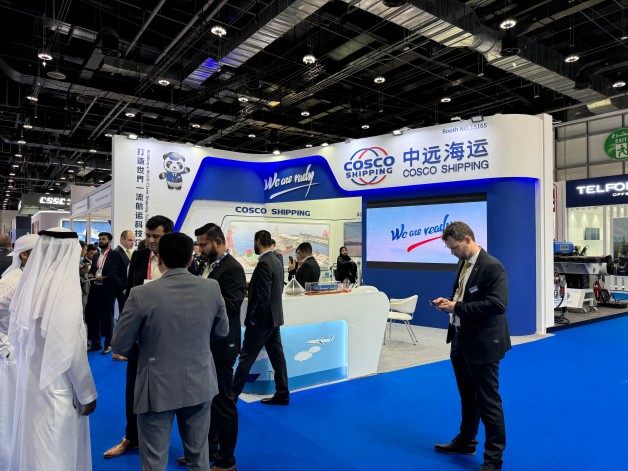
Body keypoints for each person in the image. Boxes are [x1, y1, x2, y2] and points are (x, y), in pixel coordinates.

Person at [112, 232, 228, 471]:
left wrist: (147, 352)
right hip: (200, 381)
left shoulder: (141, 294)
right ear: (191, 259)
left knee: (154, 460)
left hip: (156, 385)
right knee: (199, 457)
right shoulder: (211, 288)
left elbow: (120, 344)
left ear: (160, 259)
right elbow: (221, 331)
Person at [7, 228, 97, 470]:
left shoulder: (30, 281)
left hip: (30, 378)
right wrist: (87, 393)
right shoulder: (65, 288)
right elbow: (72, 349)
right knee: (54, 447)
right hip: (57, 383)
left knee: (34, 442)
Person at [430, 221, 510, 471]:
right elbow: (465, 297)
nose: (452, 252)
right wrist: (449, 302)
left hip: (484, 343)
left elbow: (498, 305)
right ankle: (466, 441)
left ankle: (494, 459)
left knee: (488, 401)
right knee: (467, 396)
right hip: (460, 338)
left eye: (454, 248)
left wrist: (457, 307)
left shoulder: (492, 266)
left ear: (467, 240)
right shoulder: (463, 263)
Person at [104, 215, 174, 458]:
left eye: (156, 236)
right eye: (148, 235)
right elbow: (130, 293)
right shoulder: (140, 256)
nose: (150, 240)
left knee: (171, 392)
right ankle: (131, 437)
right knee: (133, 387)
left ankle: (174, 443)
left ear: (168, 236)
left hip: (169, 337)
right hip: (140, 336)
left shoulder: (180, 258)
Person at [178, 223, 245, 471]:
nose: (200, 249)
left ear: (218, 242)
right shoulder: (206, 265)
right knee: (208, 399)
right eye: (198, 244)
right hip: (206, 343)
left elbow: (232, 306)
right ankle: (208, 450)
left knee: (223, 402)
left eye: (203, 244)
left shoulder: (233, 268)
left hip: (223, 345)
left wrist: (201, 299)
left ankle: (227, 460)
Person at [233, 230, 289, 405]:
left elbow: (263, 297)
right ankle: (283, 393)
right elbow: (273, 288)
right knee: (277, 357)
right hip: (274, 318)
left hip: (262, 321)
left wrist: (253, 318)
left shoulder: (264, 263)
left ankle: (231, 398)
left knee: (245, 358)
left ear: (258, 241)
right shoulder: (276, 259)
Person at [0, 233, 38, 471]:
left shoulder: (34, 279)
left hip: (30, 357)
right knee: (9, 414)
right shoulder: (11, 281)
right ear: (24, 255)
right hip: (12, 358)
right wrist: (6, 348)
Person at [85, 232, 127, 354]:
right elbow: (94, 270)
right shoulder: (96, 256)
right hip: (95, 288)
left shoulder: (114, 254)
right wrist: (90, 274)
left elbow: (114, 272)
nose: (101, 241)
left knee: (107, 317)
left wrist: (105, 277)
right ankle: (95, 342)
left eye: (103, 239)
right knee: (93, 316)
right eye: (100, 239)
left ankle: (108, 344)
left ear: (109, 241)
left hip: (108, 288)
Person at [114, 230, 136, 313]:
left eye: (133, 240)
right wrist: (123, 287)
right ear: (122, 239)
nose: (132, 243)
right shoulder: (116, 252)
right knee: (123, 313)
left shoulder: (128, 252)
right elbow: (113, 273)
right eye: (130, 240)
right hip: (122, 290)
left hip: (128, 289)